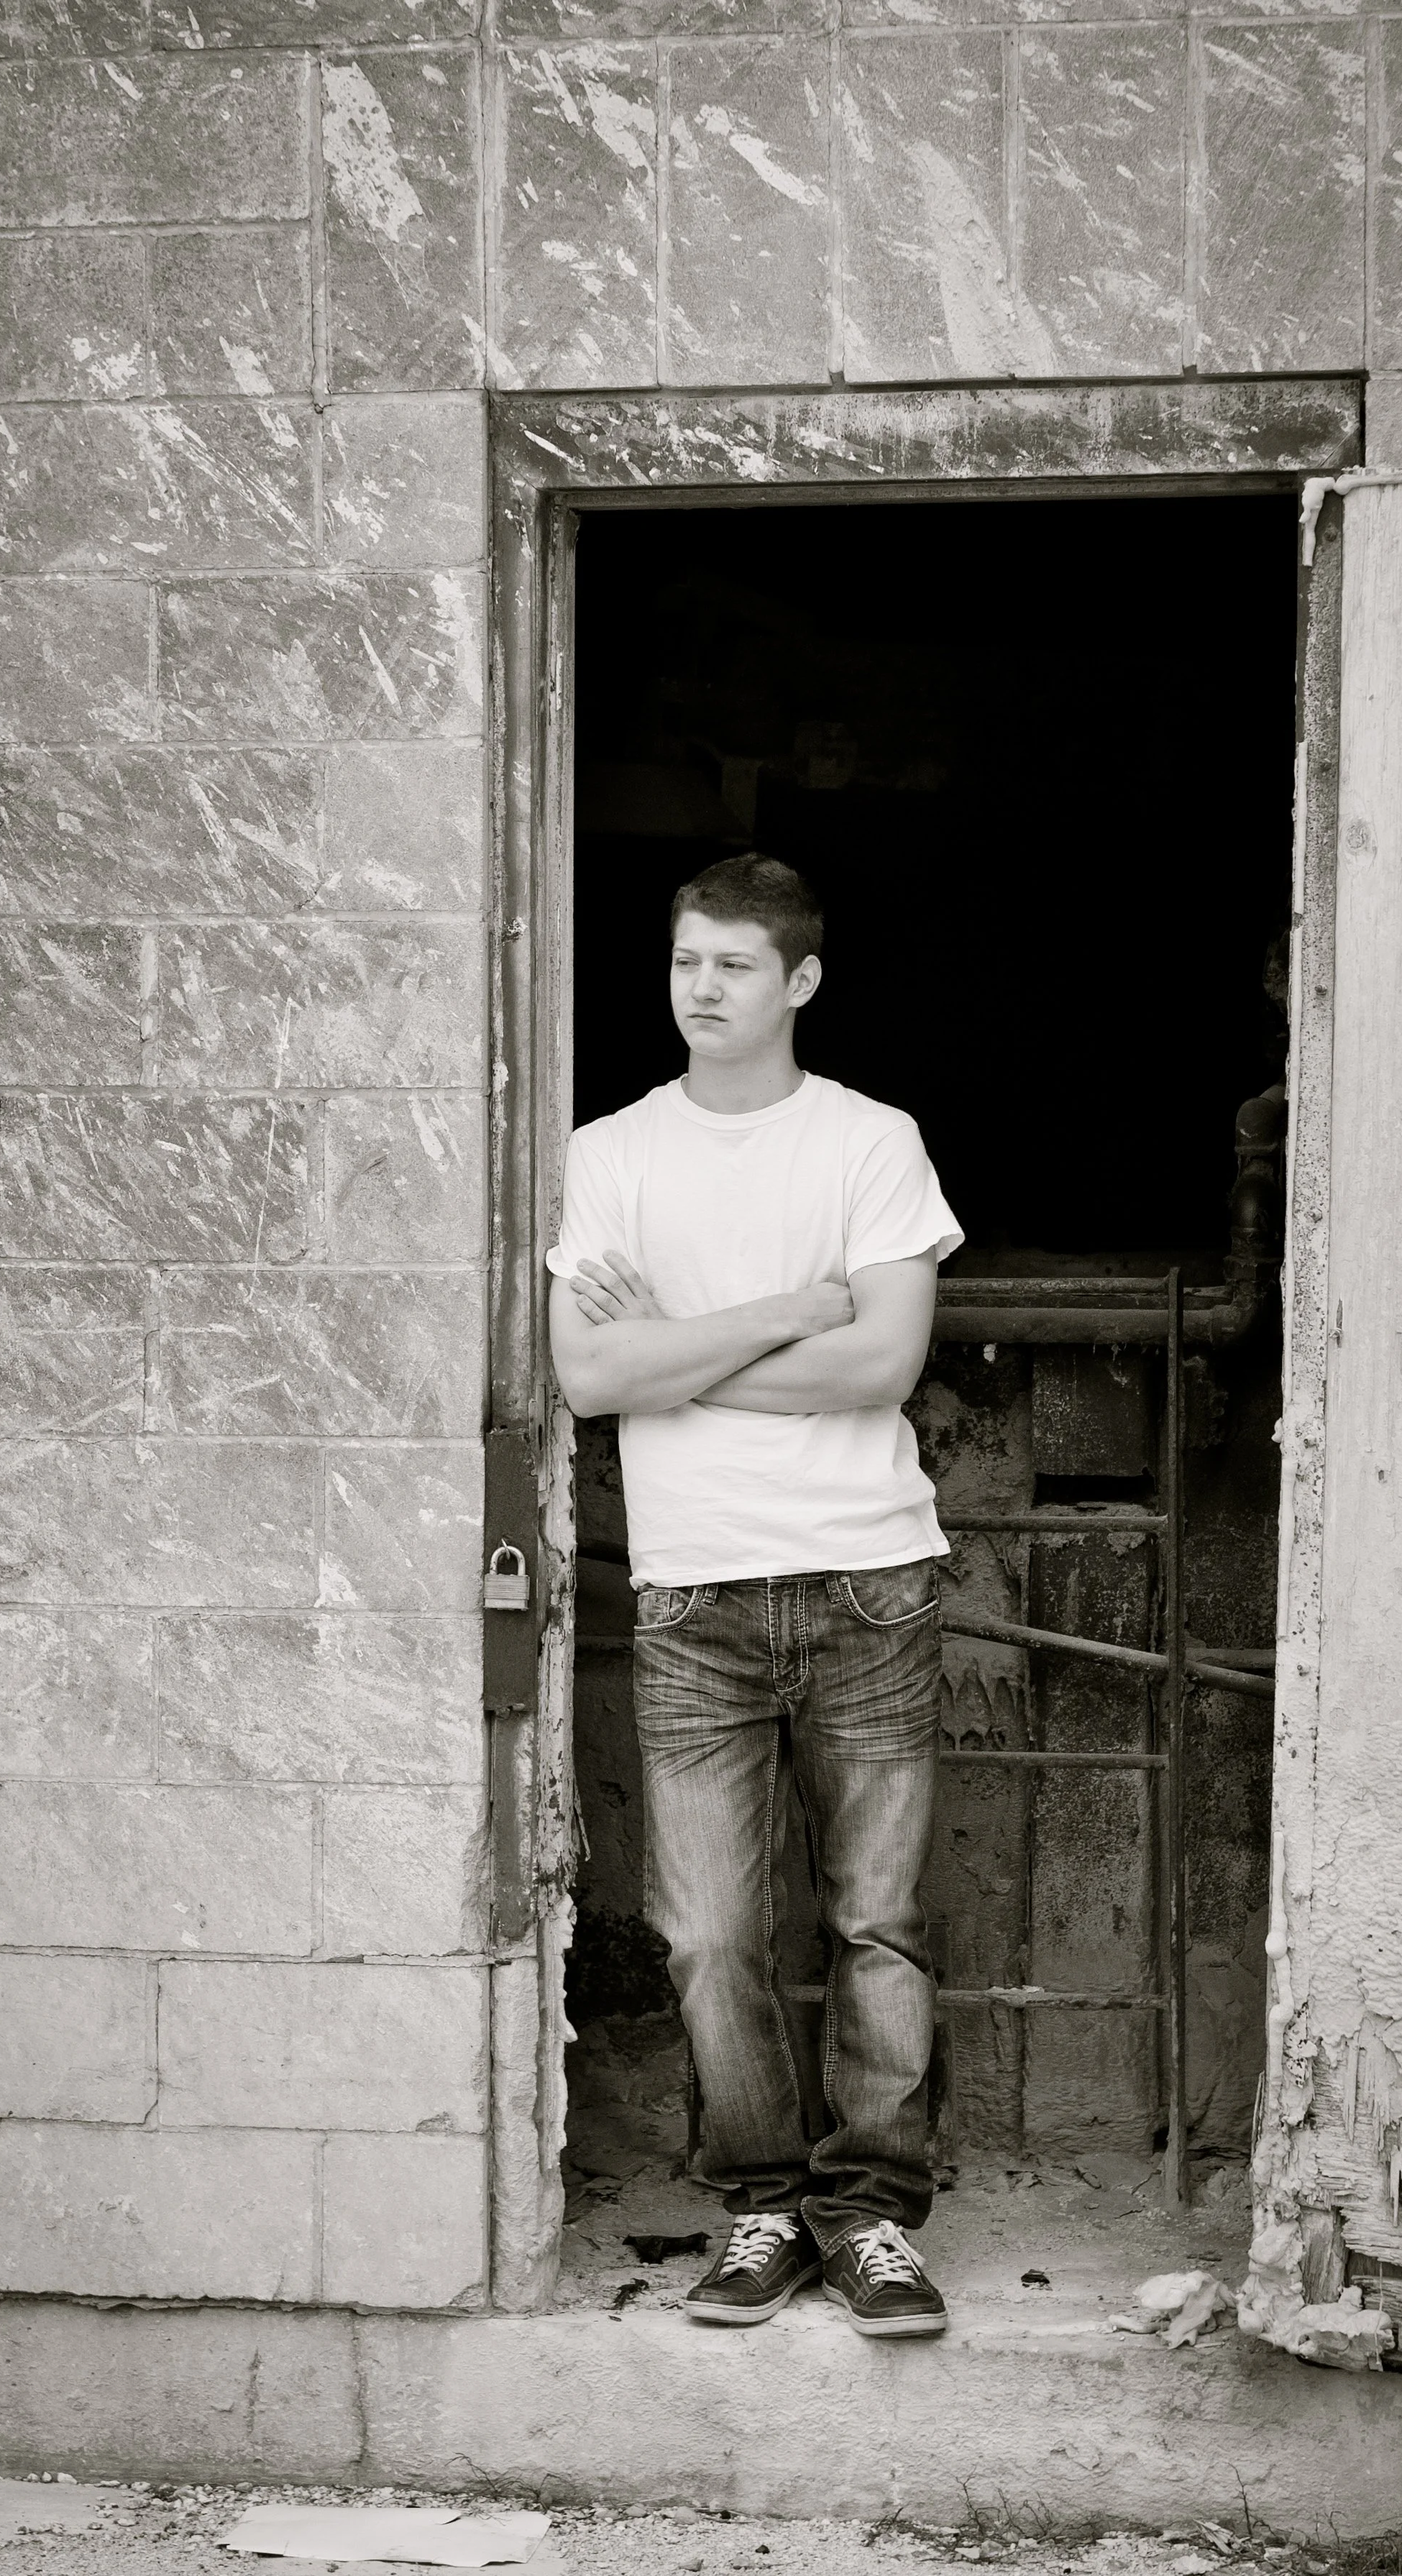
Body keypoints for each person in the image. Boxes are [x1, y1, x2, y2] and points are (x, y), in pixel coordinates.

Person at [546, 853, 963, 2339]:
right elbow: (593, 1375)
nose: (702, 988)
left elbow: (881, 1366)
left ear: (800, 981)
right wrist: (788, 1307)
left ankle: (871, 2222)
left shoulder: (870, 1144)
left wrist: (688, 1343)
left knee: (875, 1922)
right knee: (712, 1935)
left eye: (735, 965)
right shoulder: (610, 1155)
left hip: (869, 1580)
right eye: (685, 963)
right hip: (693, 1598)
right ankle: (764, 2211)